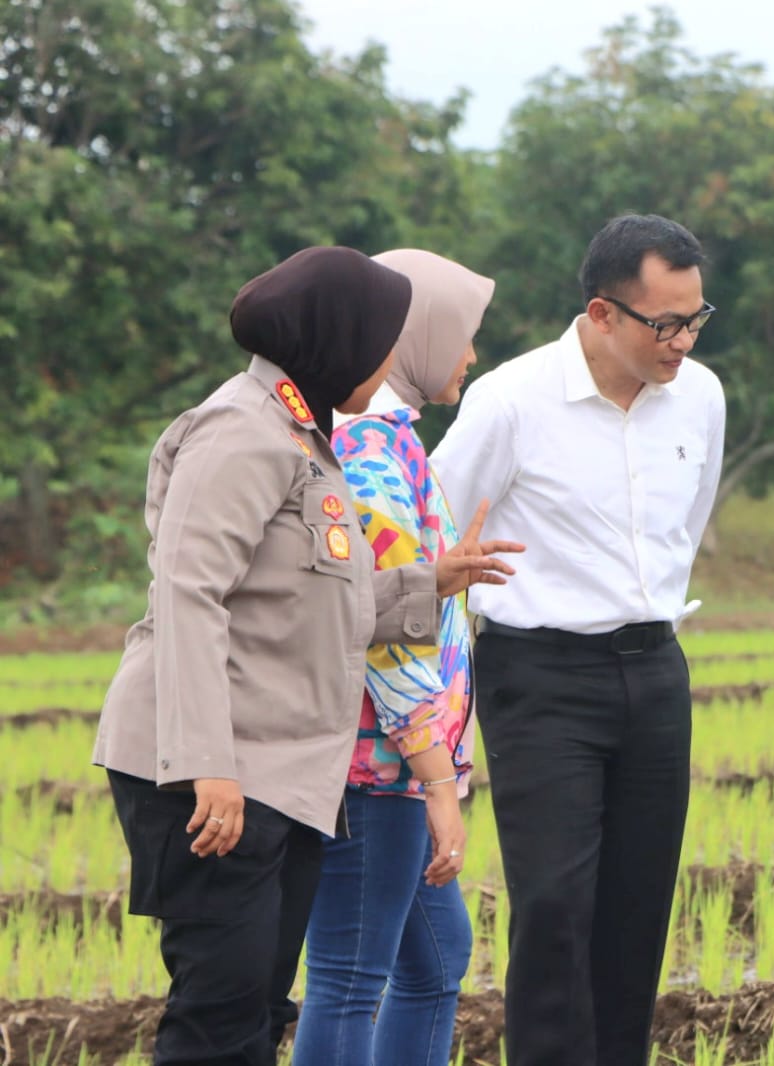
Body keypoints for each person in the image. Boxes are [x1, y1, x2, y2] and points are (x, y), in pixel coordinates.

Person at [93, 246, 520, 1066]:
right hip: (212, 773)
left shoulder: (305, 437)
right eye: (381, 340)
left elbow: (318, 606)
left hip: (276, 774)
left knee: (255, 1010)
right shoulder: (240, 430)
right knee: (219, 1017)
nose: (391, 360)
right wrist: (206, 765)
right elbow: (189, 595)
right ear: (340, 339)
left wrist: (430, 583)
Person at [431, 214, 724, 1066]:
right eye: (664, 323)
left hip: (656, 671)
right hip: (541, 675)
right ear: (602, 314)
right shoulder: (511, 400)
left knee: (637, 911)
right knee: (556, 906)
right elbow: (439, 536)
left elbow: (687, 525)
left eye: (696, 319)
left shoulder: (699, 395)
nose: (682, 341)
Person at [294, 249, 496, 1065]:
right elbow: (382, 628)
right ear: (410, 333)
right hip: (375, 765)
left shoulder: (392, 442)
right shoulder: (372, 453)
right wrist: (436, 778)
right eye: (464, 334)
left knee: (437, 960)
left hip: (395, 762)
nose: (472, 355)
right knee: (349, 976)